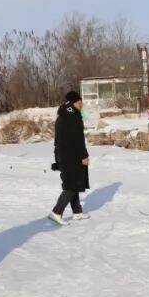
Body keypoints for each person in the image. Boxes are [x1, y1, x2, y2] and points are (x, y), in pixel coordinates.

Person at [48, 90, 90, 225]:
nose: (81, 104)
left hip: (65, 155)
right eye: (79, 102)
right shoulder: (73, 116)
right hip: (72, 156)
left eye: (81, 101)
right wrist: (84, 155)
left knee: (75, 183)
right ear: (72, 103)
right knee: (72, 185)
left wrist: (57, 158)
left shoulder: (63, 115)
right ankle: (56, 212)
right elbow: (77, 139)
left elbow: (57, 140)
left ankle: (77, 212)